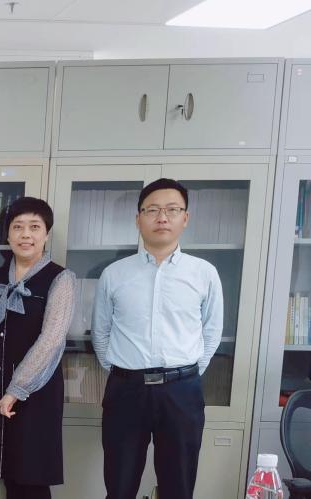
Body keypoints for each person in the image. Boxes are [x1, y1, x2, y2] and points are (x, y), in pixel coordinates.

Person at [93, 178, 223, 499]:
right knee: (119, 486)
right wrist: (123, 371)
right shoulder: (114, 274)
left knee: (178, 487)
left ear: (185, 218)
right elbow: (101, 332)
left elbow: (211, 331)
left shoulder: (204, 273)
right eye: (152, 210)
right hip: (126, 390)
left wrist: (186, 373)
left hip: (182, 391)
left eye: (172, 209)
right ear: (138, 219)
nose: (162, 217)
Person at [0, 196, 77, 499]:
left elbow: (52, 339)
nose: (25, 235)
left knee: (33, 479)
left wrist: (17, 389)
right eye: (18, 227)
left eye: (34, 227)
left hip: (34, 394)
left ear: (46, 234)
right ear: (7, 235)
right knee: (10, 478)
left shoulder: (60, 278)